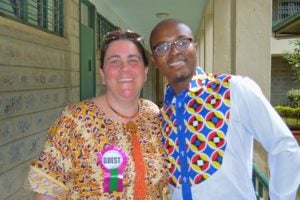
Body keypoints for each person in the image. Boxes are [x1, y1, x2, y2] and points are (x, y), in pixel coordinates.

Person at [149, 18, 300, 200]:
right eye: (162, 47)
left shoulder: (234, 89)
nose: (174, 52)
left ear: (194, 47)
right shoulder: (163, 114)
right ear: (154, 60)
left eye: (182, 42)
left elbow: (284, 146)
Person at [24, 30, 169, 199]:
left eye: (133, 60)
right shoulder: (75, 119)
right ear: (102, 73)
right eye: (115, 61)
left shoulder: (153, 114)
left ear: (145, 71)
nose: (125, 69)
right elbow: (47, 190)